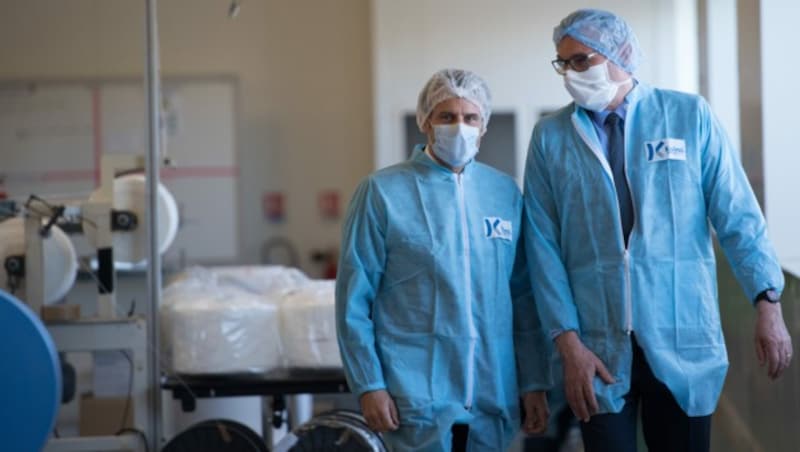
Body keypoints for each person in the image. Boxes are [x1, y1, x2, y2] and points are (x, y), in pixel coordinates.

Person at [522, 9, 793, 452]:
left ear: (620, 56)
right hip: (597, 345)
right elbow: (543, 247)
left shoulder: (687, 116)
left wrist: (767, 300)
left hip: (681, 332)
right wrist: (568, 343)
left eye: (580, 60)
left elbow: (738, 213)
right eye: (563, 63)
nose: (570, 74)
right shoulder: (551, 138)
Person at [336, 68, 551, 451]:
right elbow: (354, 302)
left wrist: (533, 382)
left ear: (483, 125)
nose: (460, 127)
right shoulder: (381, 193)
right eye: (446, 116)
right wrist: (370, 384)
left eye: (470, 118)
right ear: (426, 122)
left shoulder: (503, 193)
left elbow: (523, 297)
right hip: (415, 396)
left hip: (493, 393)